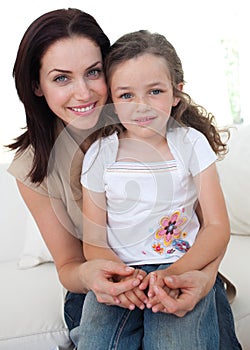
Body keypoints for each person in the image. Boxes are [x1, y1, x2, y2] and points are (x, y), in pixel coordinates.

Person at [5, 8, 241, 350]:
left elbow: (211, 226)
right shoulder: (42, 163)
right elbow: (72, 263)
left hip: (182, 268)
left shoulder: (169, 130)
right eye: (61, 78)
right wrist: (102, 275)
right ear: (36, 86)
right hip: (107, 280)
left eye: (93, 72)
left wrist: (200, 278)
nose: (84, 93)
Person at [79, 30, 239, 349]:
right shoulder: (100, 154)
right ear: (111, 100)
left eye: (154, 91)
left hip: (181, 265)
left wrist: (174, 275)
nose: (141, 106)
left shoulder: (191, 144)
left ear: (176, 93)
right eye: (126, 95)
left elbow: (218, 227)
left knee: (172, 342)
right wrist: (121, 278)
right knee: (96, 342)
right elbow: (93, 241)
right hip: (121, 273)